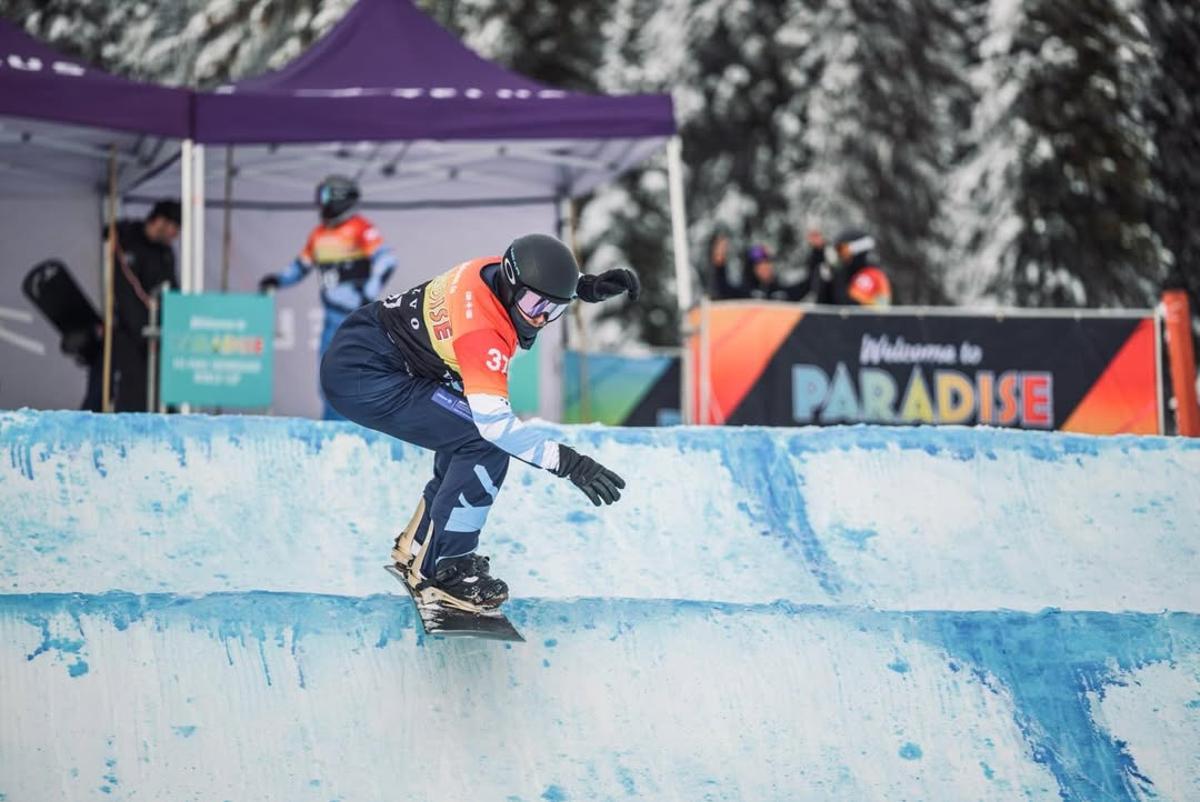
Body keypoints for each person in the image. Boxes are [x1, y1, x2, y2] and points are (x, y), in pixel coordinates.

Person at [319, 234, 639, 610]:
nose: (540, 318)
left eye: (553, 310)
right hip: (366, 374)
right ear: (512, 288)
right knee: (483, 442)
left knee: (461, 431)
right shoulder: (483, 332)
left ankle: (421, 544)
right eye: (534, 306)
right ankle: (448, 569)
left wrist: (583, 287)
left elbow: (535, 280)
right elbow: (495, 428)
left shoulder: (493, 271)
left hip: (373, 343)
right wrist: (570, 464)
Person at [258, 175, 397, 419]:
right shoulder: (318, 234)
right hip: (332, 317)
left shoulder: (360, 228)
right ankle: (331, 428)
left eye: (324, 196)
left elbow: (386, 260)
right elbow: (300, 266)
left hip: (356, 317)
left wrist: (366, 293)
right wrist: (277, 280)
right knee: (329, 375)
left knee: (357, 373)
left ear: (339, 198)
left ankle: (356, 426)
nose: (320, 203)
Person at [81, 199, 181, 412]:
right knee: (120, 391)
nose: (176, 236)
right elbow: (126, 295)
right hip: (127, 335)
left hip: (155, 336)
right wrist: (144, 332)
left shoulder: (165, 252)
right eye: (174, 228)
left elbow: (172, 292)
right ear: (160, 221)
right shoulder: (126, 242)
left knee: (157, 393)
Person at [803, 228, 893, 307]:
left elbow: (850, 308)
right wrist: (824, 284)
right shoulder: (848, 274)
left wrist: (837, 278)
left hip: (872, 320)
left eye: (843, 250)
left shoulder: (872, 275)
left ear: (857, 250)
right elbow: (825, 307)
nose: (840, 256)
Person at [709, 231, 803, 301]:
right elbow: (723, 289)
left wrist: (814, 250)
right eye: (760, 266)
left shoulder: (782, 293)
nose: (765, 268)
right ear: (753, 269)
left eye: (767, 264)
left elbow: (806, 286)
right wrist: (719, 265)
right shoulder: (745, 293)